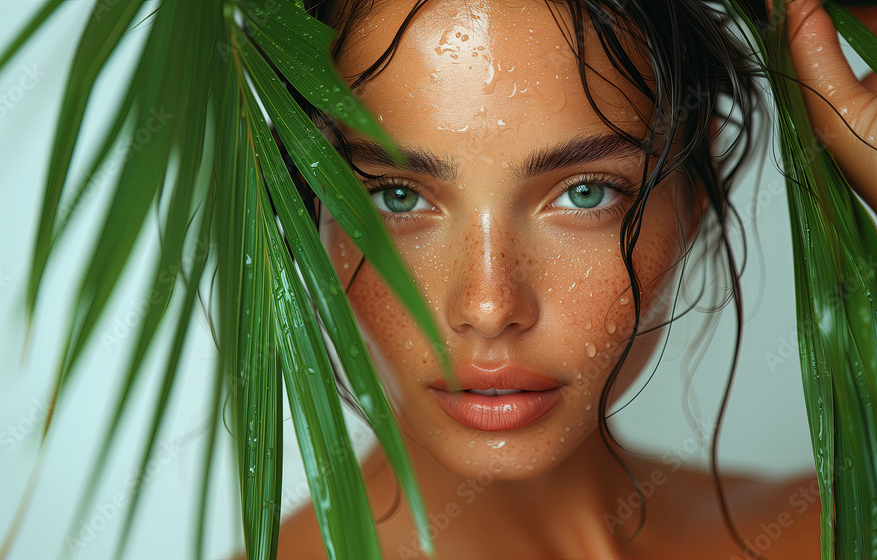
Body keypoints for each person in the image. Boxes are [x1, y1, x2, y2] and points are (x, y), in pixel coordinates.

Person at [262, 0, 877, 558]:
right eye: (397, 197)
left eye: (585, 194)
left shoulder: (829, 534)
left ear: (697, 185)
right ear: (308, 199)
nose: (489, 306)